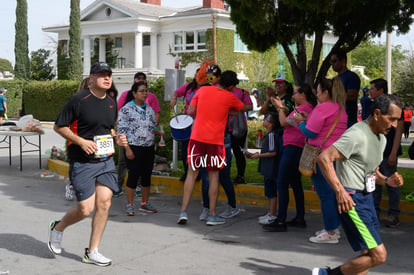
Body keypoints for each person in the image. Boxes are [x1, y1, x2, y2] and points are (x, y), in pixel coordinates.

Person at [313, 94, 403, 275]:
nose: (394, 125)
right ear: (377, 113)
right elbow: (324, 158)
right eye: (391, 119)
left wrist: (386, 180)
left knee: (367, 252)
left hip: (367, 197)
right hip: (351, 200)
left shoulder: (381, 138)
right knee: (379, 256)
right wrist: (340, 191)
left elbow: (371, 172)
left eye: (397, 120)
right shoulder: (356, 134)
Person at [48, 62, 118, 266]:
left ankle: (92, 251)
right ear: (91, 78)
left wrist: (117, 138)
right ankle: (58, 227)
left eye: (109, 75)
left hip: (106, 160)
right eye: (102, 75)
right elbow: (58, 126)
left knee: (104, 203)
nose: (106, 78)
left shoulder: (112, 103)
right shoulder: (79, 100)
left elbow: (107, 129)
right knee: (85, 209)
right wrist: (81, 141)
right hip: (82, 162)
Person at [177, 70, 248, 226]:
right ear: (231, 86)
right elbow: (240, 110)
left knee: (191, 175)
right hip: (215, 142)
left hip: (196, 138)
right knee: (213, 177)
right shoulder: (230, 96)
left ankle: (183, 212)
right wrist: (225, 110)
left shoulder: (202, 90)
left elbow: (190, 111)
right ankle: (212, 215)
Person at [293, 77, 347, 244]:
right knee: (333, 193)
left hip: (321, 156)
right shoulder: (340, 109)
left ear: (325, 92)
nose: (315, 95)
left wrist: (301, 121)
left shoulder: (322, 108)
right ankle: (333, 227)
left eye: (317, 92)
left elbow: (310, 132)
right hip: (336, 156)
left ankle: (331, 232)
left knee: (326, 195)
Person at [263, 84, 317, 232]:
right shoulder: (307, 109)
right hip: (296, 146)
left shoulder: (304, 109)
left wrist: (280, 108)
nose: (292, 96)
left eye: (295, 93)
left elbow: (284, 122)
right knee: (295, 183)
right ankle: (300, 217)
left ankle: (281, 220)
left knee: (281, 182)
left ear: (303, 94)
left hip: (293, 147)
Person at [117, 81, 164, 216]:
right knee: (133, 175)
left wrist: (157, 132)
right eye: (142, 91)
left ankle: (144, 203)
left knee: (146, 176)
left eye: (146, 91)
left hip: (148, 147)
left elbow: (151, 126)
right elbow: (121, 131)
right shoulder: (127, 109)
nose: (145, 93)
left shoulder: (149, 109)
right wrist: (127, 149)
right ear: (134, 93)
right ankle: (130, 205)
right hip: (133, 147)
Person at [369, 78, 404, 228]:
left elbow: (399, 131)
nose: (370, 91)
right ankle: (374, 213)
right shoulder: (374, 107)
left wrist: (394, 153)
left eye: (373, 89)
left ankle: (393, 214)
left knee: (392, 183)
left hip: (388, 151)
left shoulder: (393, 106)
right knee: (374, 183)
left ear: (380, 90)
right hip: (376, 151)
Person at [170, 69, 203, 182]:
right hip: (187, 122)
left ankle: (199, 172)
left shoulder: (208, 88)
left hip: (202, 123)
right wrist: (173, 98)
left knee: (199, 149)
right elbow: (176, 93)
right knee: (185, 149)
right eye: (198, 76)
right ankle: (187, 172)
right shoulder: (189, 87)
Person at [248, 113, 279, 225]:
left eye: (266, 119)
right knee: (269, 190)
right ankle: (270, 212)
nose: (264, 120)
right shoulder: (269, 134)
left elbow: (273, 152)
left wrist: (259, 155)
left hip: (271, 167)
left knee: (271, 191)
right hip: (268, 167)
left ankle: (272, 213)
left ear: (271, 124)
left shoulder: (271, 135)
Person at [330, 49, 361, 128]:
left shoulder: (351, 77)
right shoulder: (334, 79)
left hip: (348, 120)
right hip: (335, 118)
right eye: (331, 61)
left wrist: (333, 97)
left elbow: (352, 96)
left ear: (343, 61)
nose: (331, 64)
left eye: (334, 61)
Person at [229, 83, 253, 184]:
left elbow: (249, 106)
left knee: (238, 152)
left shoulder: (242, 92)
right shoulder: (221, 91)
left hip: (238, 127)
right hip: (228, 126)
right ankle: (237, 176)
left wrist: (236, 107)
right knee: (236, 152)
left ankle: (240, 175)